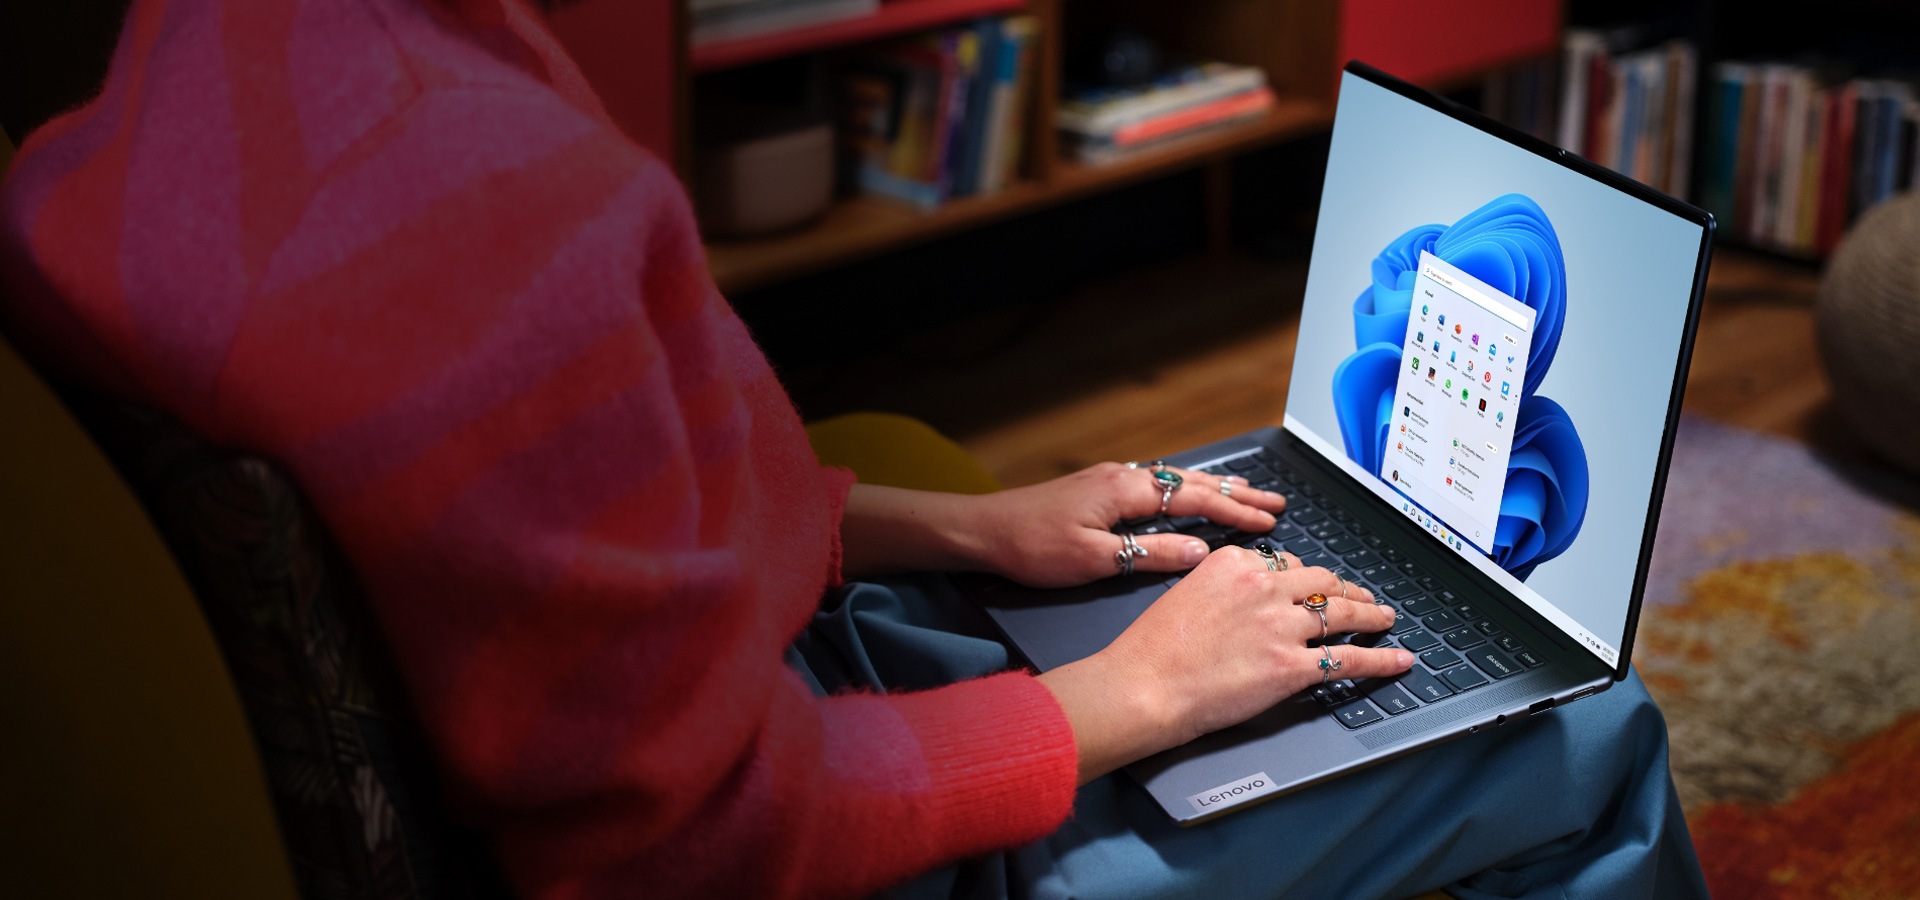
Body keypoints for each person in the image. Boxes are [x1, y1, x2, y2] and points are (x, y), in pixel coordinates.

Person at [0, 0, 1709, 897]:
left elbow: (538, 518)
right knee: (1599, 723)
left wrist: (964, 532)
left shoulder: (211, 46)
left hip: (760, 691)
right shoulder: (501, 215)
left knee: (1225, 556)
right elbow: (698, 853)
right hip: (820, 838)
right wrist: (1127, 703)